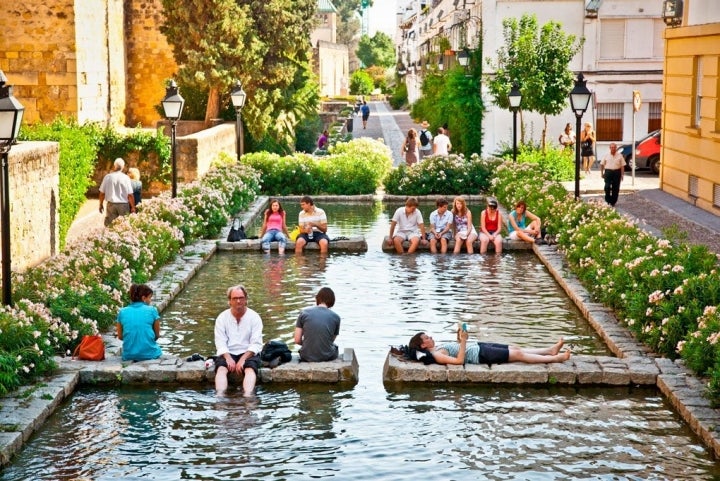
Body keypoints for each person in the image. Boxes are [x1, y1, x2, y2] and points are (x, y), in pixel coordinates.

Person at [408, 329, 571, 366]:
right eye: (427, 338)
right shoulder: (437, 355)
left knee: (515, 347)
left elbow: (457, 349)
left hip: (479, 346)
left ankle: (550, 351)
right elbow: (459, 361)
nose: (431, 337)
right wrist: (463, 341)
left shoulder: (437, 349)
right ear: (423, 345)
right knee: (518, 354)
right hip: (481, 355)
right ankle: (556, 358)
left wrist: (460, 338)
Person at [214, 285, 264, 396]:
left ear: (246, 299)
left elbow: (256, 343)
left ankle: (247, 396)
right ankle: (220, 396)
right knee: (221, 369)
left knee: (250, 369)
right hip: (228, 352)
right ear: (229, 301)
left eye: (241, 298)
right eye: (235, 298)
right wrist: (227, 357)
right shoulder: (222, 318)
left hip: (248, 352)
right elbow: (220, 341)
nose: (238, 301)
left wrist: (243, 359)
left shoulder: (254, 317)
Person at [116, 284, 162, 362]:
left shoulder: (122, 312)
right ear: (143, 298)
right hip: (150, 354)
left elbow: (120, 336)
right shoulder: (152, 310)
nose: (150, 300)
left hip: (129, 355)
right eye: (150, 297)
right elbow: (157, 335)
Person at [294, 287, 341, 362]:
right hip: (327, 356)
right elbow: (330, 341)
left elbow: (297, 340)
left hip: (305, 356)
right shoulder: (336, 317)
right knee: (335, 347)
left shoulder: (304, 313)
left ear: (317, 298)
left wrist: (308, 344)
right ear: (332, 301)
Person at [98, 157, 135, 227]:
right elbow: (130, 194)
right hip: (123, 205)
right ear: (123, 167)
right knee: (124, 226)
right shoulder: (126, 178)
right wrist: (133, 207)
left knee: (110, 226)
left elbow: (102, 193)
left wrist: (100, 204)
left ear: (114, 166)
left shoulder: (108, 177)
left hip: (111, 205)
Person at [600, 143, 625, 207]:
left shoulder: (620, 156)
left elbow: (622, 166)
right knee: (607, 187)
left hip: (617, 172)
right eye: (612, 147)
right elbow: (602, 164)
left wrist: (622, 175)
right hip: (608, 172)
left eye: (614, 147)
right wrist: (602, 173)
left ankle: (613, 201)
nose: (613, 148)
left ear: (616, 148)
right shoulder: (606, 155)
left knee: (616, 188)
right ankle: (608, 200)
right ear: (610, 148)